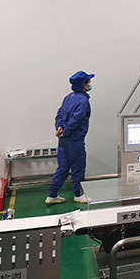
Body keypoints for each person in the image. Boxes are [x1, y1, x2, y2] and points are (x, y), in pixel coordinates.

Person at [46, 71, 94, 204]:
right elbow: (76, 119)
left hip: (63, 139)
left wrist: (59, 128)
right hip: (75, 139)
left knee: (63, 167)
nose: (90, 84)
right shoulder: (83, 101)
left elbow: (59, 115)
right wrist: (66, 131)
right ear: (83, 84)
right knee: (78, 166)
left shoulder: (68, 97)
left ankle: (52, 194)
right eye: (88, 81)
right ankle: (79, 194)